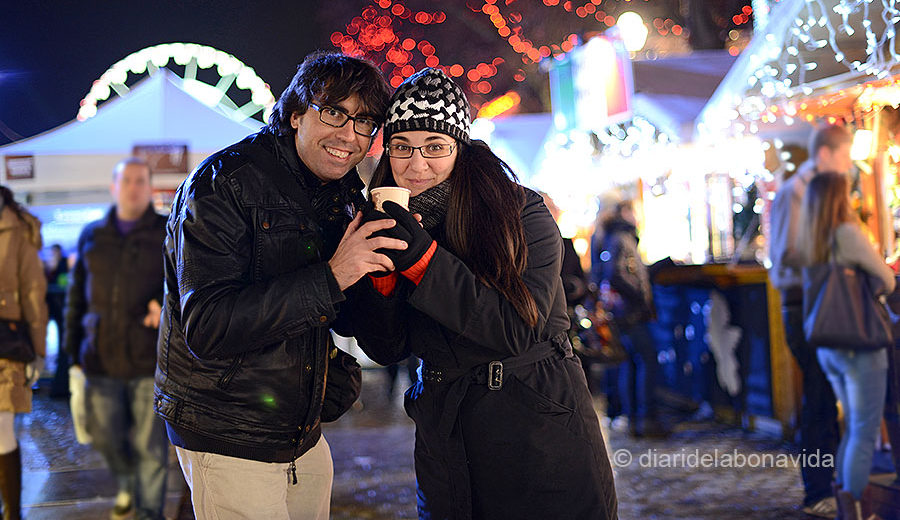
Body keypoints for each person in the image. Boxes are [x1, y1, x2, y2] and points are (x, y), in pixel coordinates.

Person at [353, 68, 618, 520]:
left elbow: (514, 329)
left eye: (435, 147)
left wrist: (422, 259)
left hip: (536, 424)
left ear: (461, 147)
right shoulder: (384, 220)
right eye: (402, 147)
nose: (417, 165)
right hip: (446, 435)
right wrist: (380, 283)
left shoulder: (520, 211)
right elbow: (386, 347)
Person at [155, 52, 401, 520]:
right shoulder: (222, 182)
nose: (349, 135)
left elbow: (341, 313)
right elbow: (208, 327)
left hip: (301, 427)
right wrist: (334, 275)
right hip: (229, 428)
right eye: (334, 112)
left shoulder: (342, 194)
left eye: (365, 122)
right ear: (295, 114)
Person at [65, 158, 168, 520]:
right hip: (99, 355)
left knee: (149, 445)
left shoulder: (166, 231)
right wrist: (71, 352)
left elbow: (184, 283)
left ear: (150, 188)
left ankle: (148, 512)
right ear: (114, 187)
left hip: (146, 356)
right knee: (107, 437)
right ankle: (127, 484)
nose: (133, 187)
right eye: (126, 180)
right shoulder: (93, 234)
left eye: (141, 181)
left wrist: (164, 302)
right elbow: (76, 295)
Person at [797, 172, 895, 520]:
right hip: (859, 341)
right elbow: (884, 276)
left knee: (852, 427)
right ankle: (852, 508)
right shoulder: (847, 233)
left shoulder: (809, 238)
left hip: (828, 343)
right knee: (863, 429)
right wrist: (879, 293)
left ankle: (848, 506)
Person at [769, 123, 850, 518]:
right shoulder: (796, 192)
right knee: (818, 401)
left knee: (824, 397)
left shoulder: (820, 192)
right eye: (846, 156)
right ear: (828, 155)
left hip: (820, 302)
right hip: (804, 305)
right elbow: (786, 254)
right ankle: (818, 490)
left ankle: (830, 486)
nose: (850, 164)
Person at [593, 197, 668, 439]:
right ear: (624, 212)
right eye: (633, 211)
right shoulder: (621, 238)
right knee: (646, 360)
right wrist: (639, 298)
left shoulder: (614, 237)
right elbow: (615, 274)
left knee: (632, 363)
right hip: (630, 313)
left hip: (624, 312)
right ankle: (646, 418)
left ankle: (635, 418)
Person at [0, 186, 47, 520]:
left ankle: (12, 514)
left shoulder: (18, 227)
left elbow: (33, 293)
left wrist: (38, 352)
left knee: (1, 431)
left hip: (4, 346)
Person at [44, 243, 69, 398]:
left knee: (62, 345)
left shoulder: (61, 265)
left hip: (58, 308)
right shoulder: (49, 267)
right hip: (56, 308)